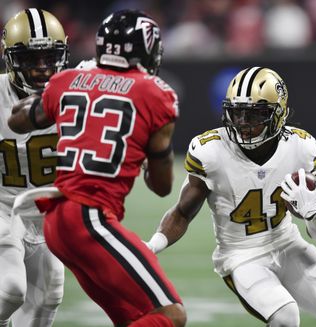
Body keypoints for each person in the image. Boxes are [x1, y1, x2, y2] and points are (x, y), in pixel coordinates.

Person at [144, 67, 316, 326]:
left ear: (278, 113)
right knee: (285, 317)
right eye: (237, 114)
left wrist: (313, 215)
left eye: (256, 115)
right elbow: (183, 212)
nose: (244, 124)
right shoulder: (211, 151)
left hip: (287, 243)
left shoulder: (301, 148)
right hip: (241, 255)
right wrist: (151, 247)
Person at [8, 9, 186, 327]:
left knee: (132, 316)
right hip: (89, 217)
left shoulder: (67, 82)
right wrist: (150, 149)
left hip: (55, 220)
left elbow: (18, 119)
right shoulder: (156, 94)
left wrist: (61, 93)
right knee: (170, 314)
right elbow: (161, 186)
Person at [0, 8, 68, 327]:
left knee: (50, 293)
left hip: (47, 214)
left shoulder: (75, 96)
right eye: (30, 59)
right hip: (3, 206)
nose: (41, 69)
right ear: (11, 59)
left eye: (49, 57)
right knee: (10, 289)